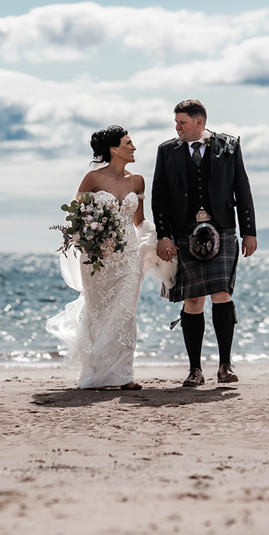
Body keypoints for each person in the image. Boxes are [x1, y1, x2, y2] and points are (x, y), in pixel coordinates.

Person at [47, 125, 171, 390]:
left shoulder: (137, 181)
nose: (134, 147)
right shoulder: (92, 179)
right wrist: (92, 238)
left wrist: (156, 240)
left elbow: (139, 220)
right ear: (114, 148)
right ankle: (95, 372)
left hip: (128, 255)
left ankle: (124, 375)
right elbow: (75, 217)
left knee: (126, 312)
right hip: (97, 257)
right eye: (129, 142)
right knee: (98, 311)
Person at [152, 100, 257, 387]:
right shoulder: (166, 151)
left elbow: (242, 188)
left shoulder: (229, 145)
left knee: (222, 294)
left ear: (199, 122)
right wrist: (163, 236)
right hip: (184, 232)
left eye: (182, 122)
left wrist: (249, 230)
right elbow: (158, 196)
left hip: (221, 229)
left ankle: (225, 365)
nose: (178, 127)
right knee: (193, 300)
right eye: (176, 123)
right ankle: (195, 370)